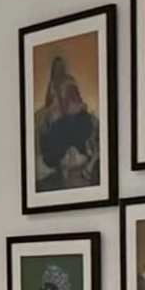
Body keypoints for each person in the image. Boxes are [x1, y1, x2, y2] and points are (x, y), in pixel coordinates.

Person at [33, 46, 101, 192]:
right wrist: (55, 111)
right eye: (56, 67)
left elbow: (77, 101)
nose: (59, 70)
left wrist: (74, 107)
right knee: (54, 130)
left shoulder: (69, 81)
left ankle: (86, 157)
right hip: (59, 123)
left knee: (80, 123)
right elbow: (50, 106)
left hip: (73, 118)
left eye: (61, 66)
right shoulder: (52, 87)